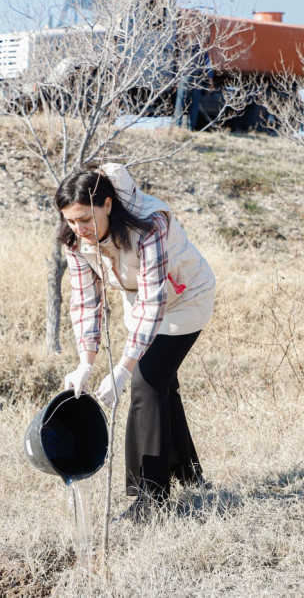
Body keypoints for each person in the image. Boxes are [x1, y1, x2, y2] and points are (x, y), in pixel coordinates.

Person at [55, 163, 215, 523]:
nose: (79, 229)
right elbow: (85, 302)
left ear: (108, 205)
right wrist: (86, 363)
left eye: (85, 218)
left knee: (146, 380)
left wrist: (123, 370)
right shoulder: (76, 241)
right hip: (142, 302)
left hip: (186, 297)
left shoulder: (149, 225)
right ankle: (187, 474)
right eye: (70, 221)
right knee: (162, 386)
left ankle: (150, 499)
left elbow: (155, 301)